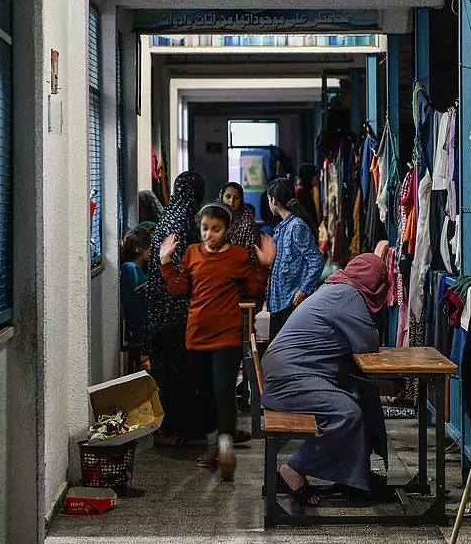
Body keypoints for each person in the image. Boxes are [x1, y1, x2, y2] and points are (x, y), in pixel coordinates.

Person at [260, 249, 391, 507]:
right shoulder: (348, 295)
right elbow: (367, 342)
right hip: (288, 377)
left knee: (363, 393)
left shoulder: (337, 287)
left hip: (291, 370)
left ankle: (355, 478)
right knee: (347, 413)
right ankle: (294, 469)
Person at [160, 202, 276, 480]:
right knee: (205, 394)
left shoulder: (237, 256)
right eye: (204, 229)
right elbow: (178, 290)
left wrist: (264, 267)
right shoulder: (191, 254)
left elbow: (254, 289)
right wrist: (165, 263)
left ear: (228, 230)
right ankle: (214, 443)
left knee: (224, 390)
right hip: (196, 336)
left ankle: (226, 445)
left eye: (215, 229)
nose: (209, 235)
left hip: (226, 335)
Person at [145, 172, 205, 448]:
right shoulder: (181, 222)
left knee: (170, 373)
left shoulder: (168, 216)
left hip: (161, 311)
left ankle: (180, 428)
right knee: (178, 374)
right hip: (175, 312)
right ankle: (175, 431)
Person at [266, 177, 326, 340]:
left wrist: (303, 291)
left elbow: (317, 260)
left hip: (291, 301)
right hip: (280, 301)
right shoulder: (283, 227)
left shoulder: (296, 226)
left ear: (274, 200)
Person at [120, 228, 152, 346]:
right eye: (149, 246)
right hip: (139, 324)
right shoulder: (131, 268)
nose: (152, 250)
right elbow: (149, 290)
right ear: (138, 249)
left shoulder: (132, 267)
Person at [220, 182, 260, 264]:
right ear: (221, 197)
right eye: (228, 196)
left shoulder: (247, 225)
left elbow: (251, 257)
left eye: (236, 198)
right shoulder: (214, 218)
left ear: (241, 201)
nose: (232, 201)